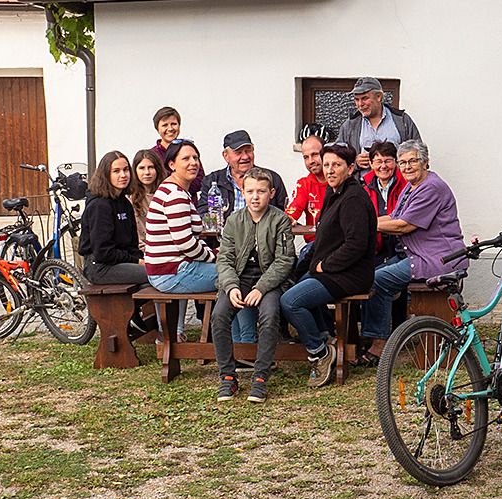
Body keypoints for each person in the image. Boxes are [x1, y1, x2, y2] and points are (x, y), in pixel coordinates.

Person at [279, 143, 377, 388]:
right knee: (292, 287)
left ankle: (319, 352)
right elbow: (325, 238)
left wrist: (326, 265)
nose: (330, 170)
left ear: (351, 168)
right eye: (327, 165)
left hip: (349, 274)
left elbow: (356, 244)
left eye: (337, 165)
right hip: (331, 271)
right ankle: (326, 339)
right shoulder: (334, 193)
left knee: (291, 301)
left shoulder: (353, 198)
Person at [360, 139, 466, 350]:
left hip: (437, 259)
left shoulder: (431, 188)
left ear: (425, 162)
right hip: (417, 255)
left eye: (412, 161)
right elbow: (394, 216)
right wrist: (364, 221)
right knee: (368, 276)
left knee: (376, 281)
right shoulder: (412, 187)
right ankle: (387, 335)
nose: (407, 167)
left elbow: (404, 225)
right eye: (402, 162)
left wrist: (365, 226)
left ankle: (380, 343)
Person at [211, 167, 296, 403]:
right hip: (239, 278)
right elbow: (224, 259)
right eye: (250, 191)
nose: (255, 197)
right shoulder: (233, 221)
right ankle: (227, 377)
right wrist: (231, 286)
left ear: (271, 193)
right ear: (243, 192)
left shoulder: (280, 220)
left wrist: (261, 288)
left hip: (269, 280)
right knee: (219, 315)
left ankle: (260, 377)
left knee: (269, 314)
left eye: (261, 191)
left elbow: (284, 260)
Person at [143, 141, 217, 319]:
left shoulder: (173, 189)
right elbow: (186, 243)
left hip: (168, 270)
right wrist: (213, 256)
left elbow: (188, 240)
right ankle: (239, 334)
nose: (193, 163)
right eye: (186, 159)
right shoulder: (175, 195)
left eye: (195, 158)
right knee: (236, 275)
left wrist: (213, 252)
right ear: (172, 164)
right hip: (172, 273)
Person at [80, 149, 147, 287]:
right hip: (100, 267)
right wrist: (137, 262)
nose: (123, 175)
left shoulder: (125, 203)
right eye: (116, 171)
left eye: (126, 170)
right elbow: (103, 252)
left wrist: (141, 259)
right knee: (156, 275)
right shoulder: (99, 205)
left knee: (160, 273)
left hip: (122, 262)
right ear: (106, 174)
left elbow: (132, 245)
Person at [201, 130, 289, 223]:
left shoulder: (271, 178)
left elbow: (283, 213)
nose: (245, 157)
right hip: (224, 231)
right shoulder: (212, 180)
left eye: (248, 151)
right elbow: (203, 212)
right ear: (226, 156)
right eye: (238, 152)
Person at [336, 78, 422, 171]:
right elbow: (336, 157)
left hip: (397, 179)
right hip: (362, 180)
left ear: (379, 97)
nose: (360, 104)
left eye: (365, 98)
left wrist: (399, 162)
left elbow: (419, 152)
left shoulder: (402, 120)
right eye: (357, 99)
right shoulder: (350, 125)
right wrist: (354, 161)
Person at [361, 140, 403, 254]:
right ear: (371, 164)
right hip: (376, 249)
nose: (383, 166)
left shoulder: (406, 186)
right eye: (378, 161)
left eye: (388, 161)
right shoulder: (364, 190)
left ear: (396, 162)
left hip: (403, 248)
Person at [286, 131, 327, 226]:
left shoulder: (339, 181)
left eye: (315, 154)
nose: (311, 161)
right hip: (314, 236)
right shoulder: (304, 184)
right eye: (306, 157)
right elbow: (293, 211)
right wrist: (288, 219)